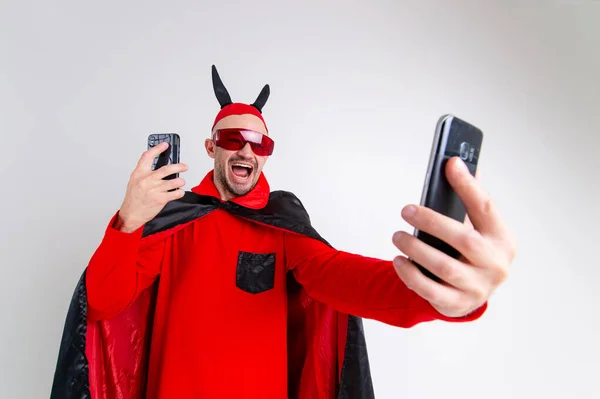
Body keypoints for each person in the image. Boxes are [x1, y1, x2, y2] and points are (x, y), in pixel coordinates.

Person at [51, 65, 517, 399]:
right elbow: (105, 302)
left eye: (259, 143)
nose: (246, 151)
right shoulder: (171, 218)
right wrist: (129, 221)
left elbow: (348, 281)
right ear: (212, 146)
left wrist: (442, 290)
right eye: (233, 139)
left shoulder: (284, 225)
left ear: (267, 154)